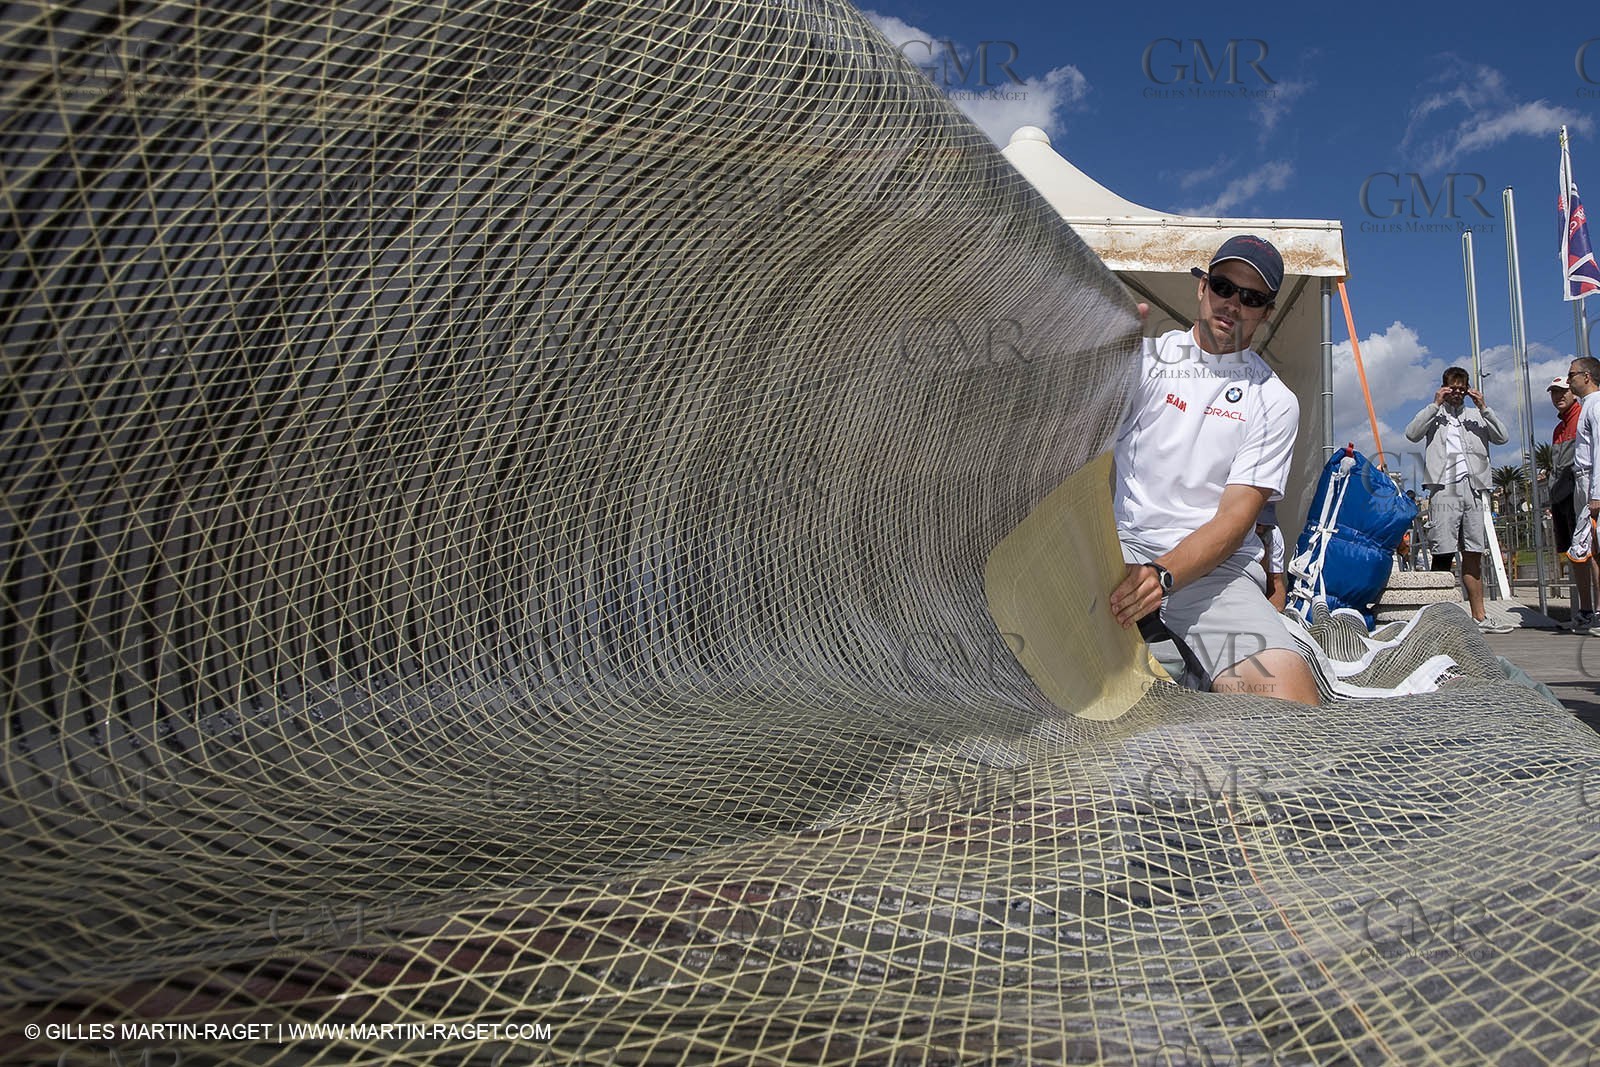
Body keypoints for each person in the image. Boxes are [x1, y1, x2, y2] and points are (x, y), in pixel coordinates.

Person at [1109, 235, 1320, 704]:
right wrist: (1099, 357)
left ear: (1266, 312)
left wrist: (1161, 578)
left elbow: (1234, 520)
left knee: (1291, 699)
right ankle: (1181, 662)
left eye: (1252, 298)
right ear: (1202, 288)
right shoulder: (1144, 360)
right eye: (1225, 286)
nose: (1234, 304)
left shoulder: (1275, 400)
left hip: (1216, 574)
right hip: (1121, 556)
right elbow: (1071, 425)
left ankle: (1183, 661)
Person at [1403, 366, 1510, 633]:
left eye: (1462, 388)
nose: (1457, 394)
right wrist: (1434, 403)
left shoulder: (1476, 416)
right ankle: (1439, 620)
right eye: (1453, 388)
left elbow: (1502, 437)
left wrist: (1484, 408)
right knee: (1443, 550)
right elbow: (1412, 433)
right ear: (1444, 387)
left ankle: (1480, 617)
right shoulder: (1435, 414)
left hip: (1474, 487)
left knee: (1474, 551)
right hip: (1444, 488)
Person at [1548, 375, 1592, 628]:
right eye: (1553, 393)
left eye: (1562, 391)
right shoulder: (1558, 428)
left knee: (1588, 552)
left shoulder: (1585, 416)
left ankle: (1592, 610)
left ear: (1573, 391)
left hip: (1580, 494)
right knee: (1573, 553)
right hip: (1561, 498)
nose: (1558, 397)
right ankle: (1584, 610)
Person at [1567, 356, 1600, 632]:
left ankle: (1594, 611)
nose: (1569, 381)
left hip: (1592, 482)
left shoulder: (1597, 406)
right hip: (1582, 481)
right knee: (1587, 549)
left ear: (1586, 376)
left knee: (1590, 547)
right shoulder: (1586, 407)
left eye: (1572, 375)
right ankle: (1588, 610)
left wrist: (1597, 494)